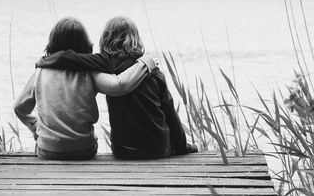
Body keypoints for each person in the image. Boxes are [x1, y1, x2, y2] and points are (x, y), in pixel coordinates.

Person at [36, 16, 198, 160]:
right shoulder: (153, 72)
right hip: (158, 149)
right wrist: (182, 147)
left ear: (105, 39)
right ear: (136, 39)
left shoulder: (103, 63)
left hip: (124, 151)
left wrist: (44, 62)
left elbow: (69, 58)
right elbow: (170, 113)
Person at [14, 17, 156, 160]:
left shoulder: (40, 72)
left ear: (52, 42)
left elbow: (19, 107)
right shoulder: (89, 72)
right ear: (85, 43)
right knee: (92, 137)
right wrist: (145, 63)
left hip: (48, 150)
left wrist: (35, 126)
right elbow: (119, 86)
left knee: (42, 145)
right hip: (83, 149)